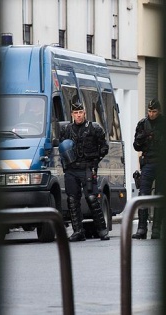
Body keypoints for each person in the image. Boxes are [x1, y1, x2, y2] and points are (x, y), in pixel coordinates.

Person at [59, 95, 110, 242]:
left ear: (84, 113)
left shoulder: (94, 128)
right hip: (72, 170)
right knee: (72, 200)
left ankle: (102, 230)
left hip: (88, 168)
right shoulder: (67, 130)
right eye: (75, 113)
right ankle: (78, 231)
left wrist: (95, 160)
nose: (78, 115)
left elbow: (104, 147)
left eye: (80, 112)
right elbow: (62, 149)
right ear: (72, 114)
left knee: (92, 198)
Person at [132, 99, 166, 239]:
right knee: (143, 196)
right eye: (149, 111)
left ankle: (156, 229)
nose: (151, 114)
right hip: (148, 164)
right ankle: (142, 228)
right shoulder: (142, 124)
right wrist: (142, 137)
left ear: (159, 111)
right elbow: (136, 146)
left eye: (154, 111)